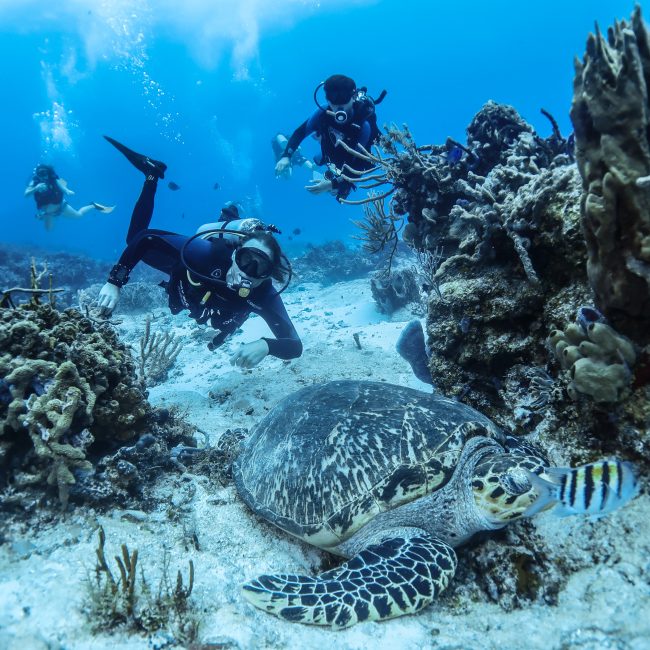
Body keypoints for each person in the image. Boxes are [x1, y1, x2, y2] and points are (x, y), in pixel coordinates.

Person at [97, 136, 302, 368]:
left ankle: (228, 215)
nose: (248, 271)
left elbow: (295, 346)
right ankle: (152, 174)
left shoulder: (264, 294)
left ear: (267, 275)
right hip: (188, 270)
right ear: (235, 254)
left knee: (134, 241)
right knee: (133, 239)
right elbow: (147, 238)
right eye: (246, 259)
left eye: (260, 267)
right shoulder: (207, 254)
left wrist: (267, 345)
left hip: (203, 294)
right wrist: (115, 281)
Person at [274, 74, 386, 201]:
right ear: (327, 99)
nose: (338, 107)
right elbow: (300, 132)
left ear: (354, 97)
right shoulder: (322, 113)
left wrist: (333, 184)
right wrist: (286, 156)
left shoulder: (363, 125)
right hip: (331, 152)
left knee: (340, 191)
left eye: (344, 100)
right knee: (319, 160)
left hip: (354, 161)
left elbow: (357, 163)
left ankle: (337, 183)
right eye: (333, 101)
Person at [24, 164, 114, 230]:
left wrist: (67, 191)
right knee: (48, 230)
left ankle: (93, 205)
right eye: (40, 174)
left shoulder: (53, 178)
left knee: (79, 215)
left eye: (44, 173)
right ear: (37, 174)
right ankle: (45, 215)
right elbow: (26, 194)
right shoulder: (34, 182)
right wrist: (35, 188)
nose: (43, 176)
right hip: (49, 213)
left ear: (48, 172)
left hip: (61, 206)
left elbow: (60, 185)